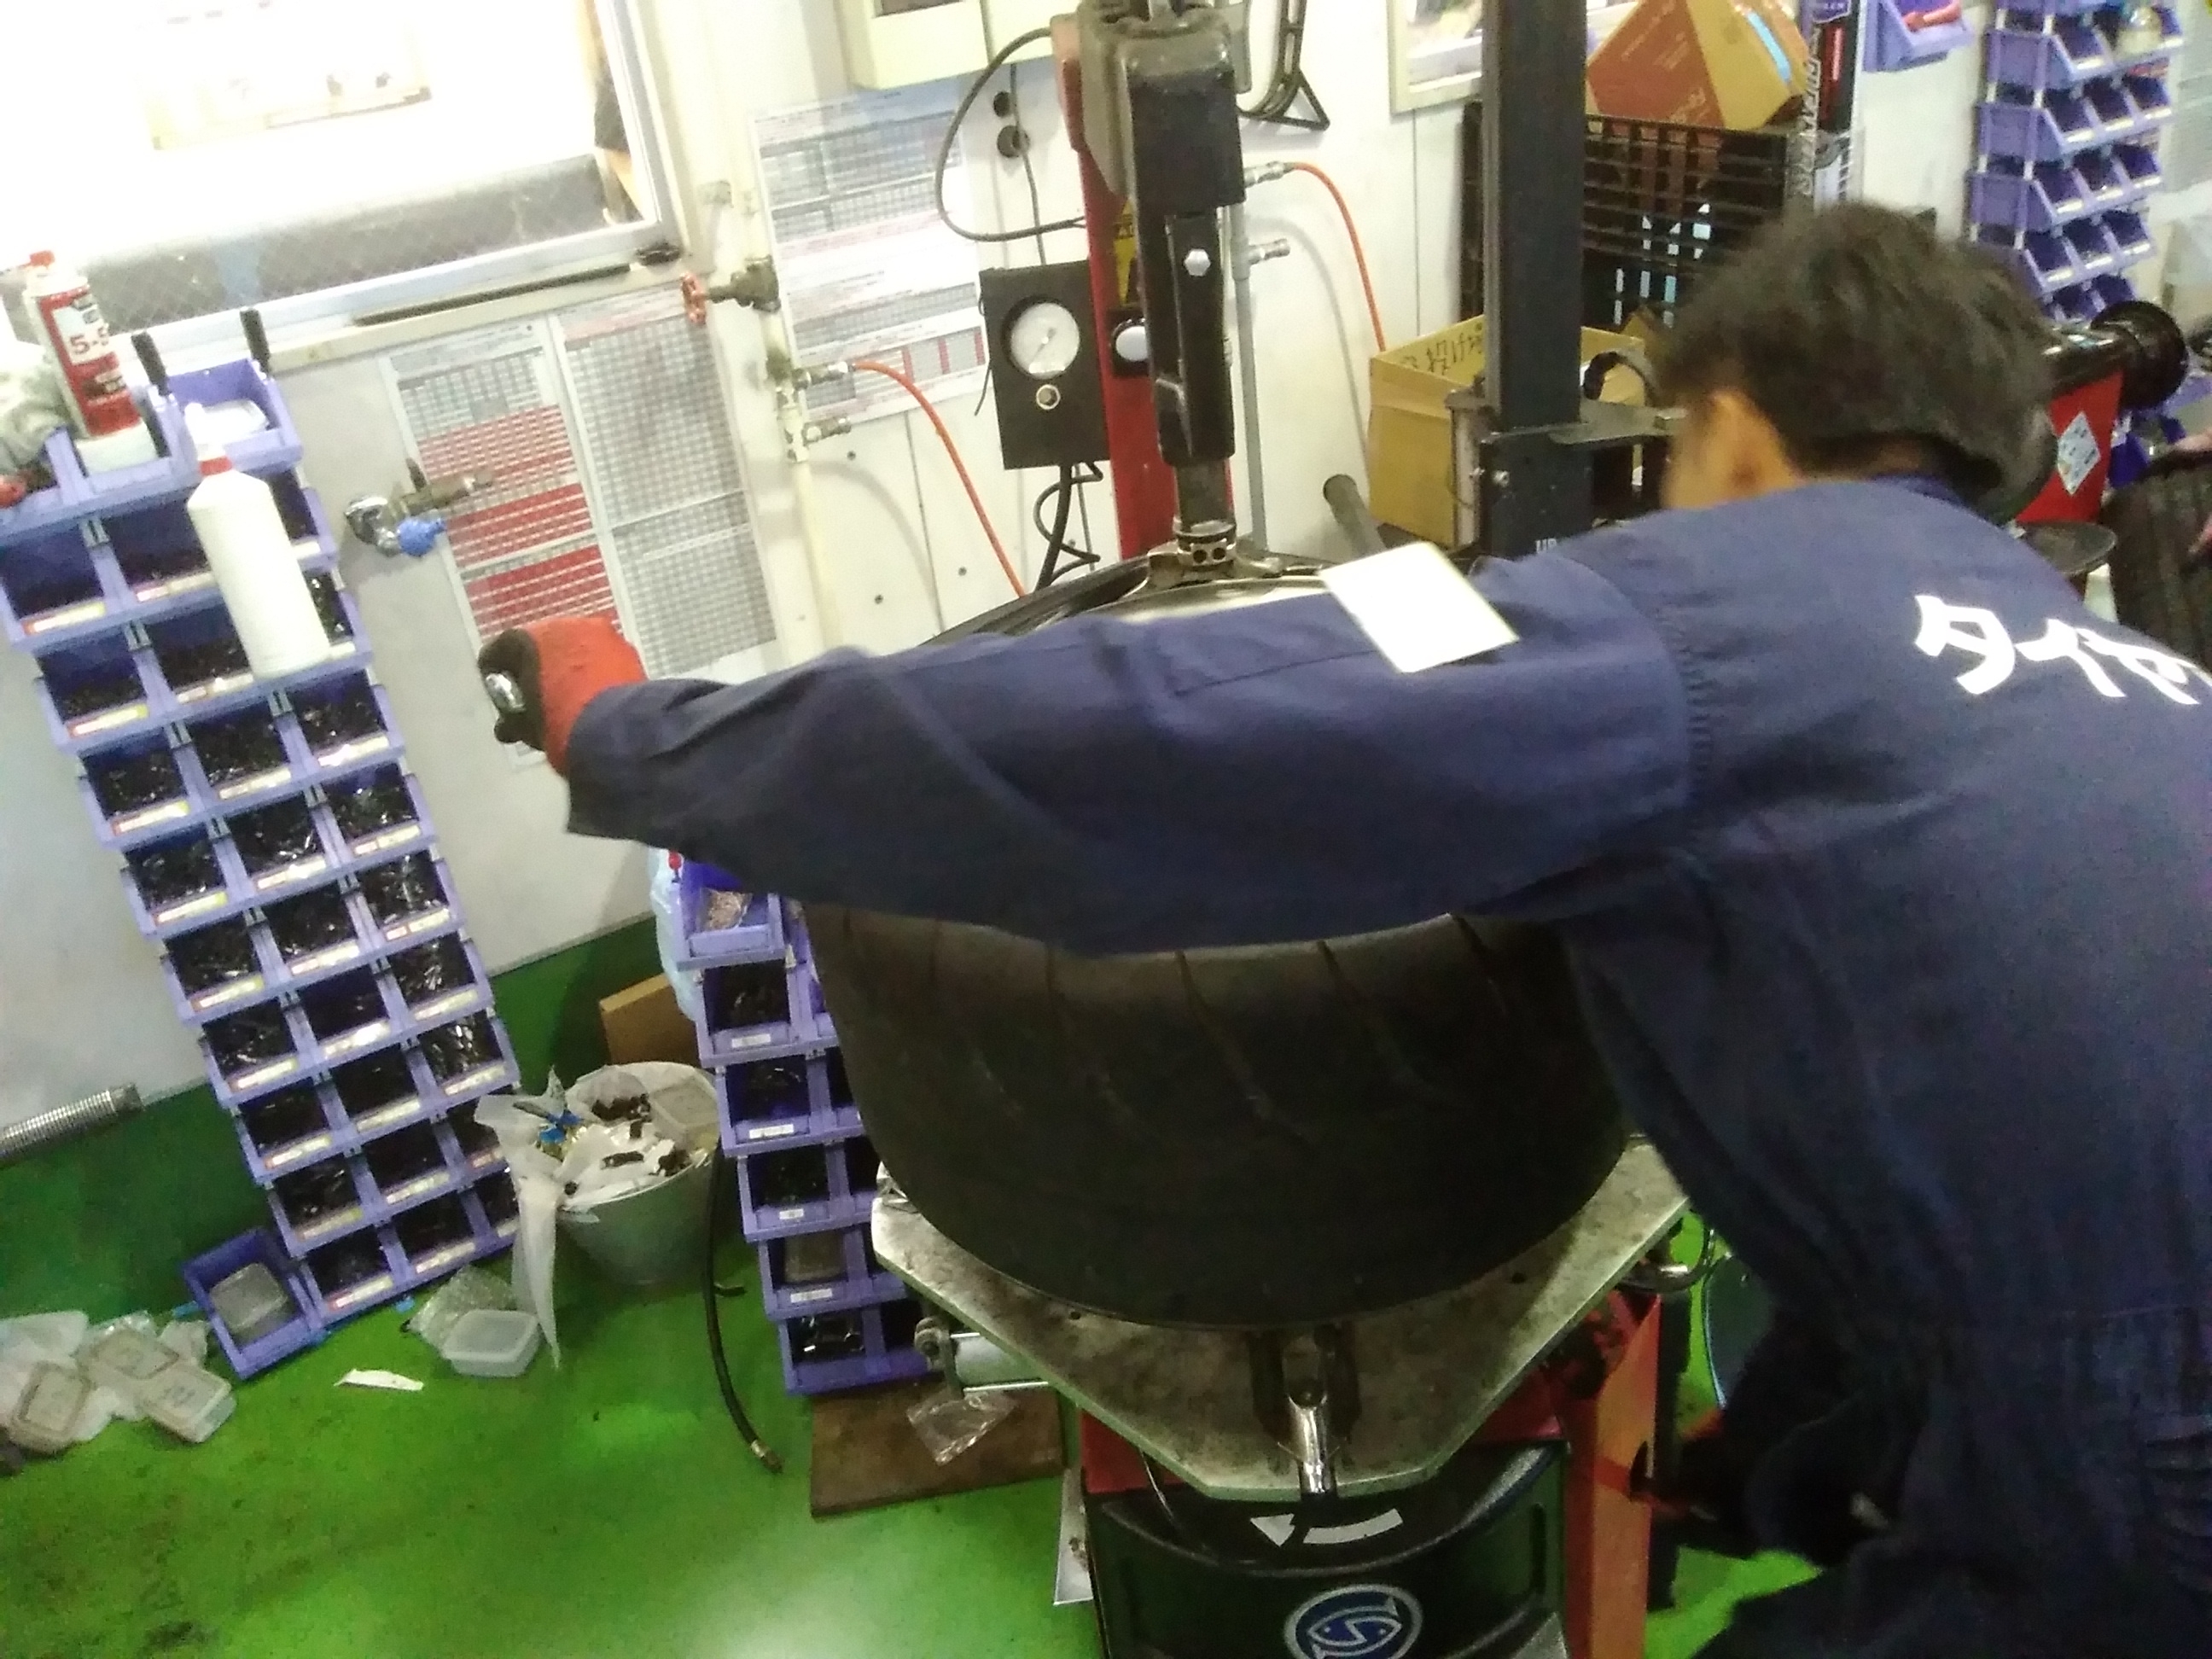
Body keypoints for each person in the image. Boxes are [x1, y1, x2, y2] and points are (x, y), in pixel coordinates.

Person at [480, 206, 2211, 1656]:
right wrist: (1760, 1465)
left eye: (1677, 462)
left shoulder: (1720, 626)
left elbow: (1153, 734)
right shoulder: (2116, 671)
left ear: (1740, 435)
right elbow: (2004, 1178)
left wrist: (633, 739)